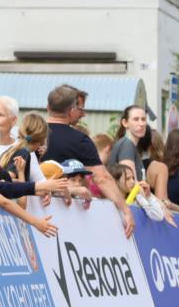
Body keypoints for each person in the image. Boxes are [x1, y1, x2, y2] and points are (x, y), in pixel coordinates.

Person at [40, 85, 134, 237]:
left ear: (48, 107)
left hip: (33, 210)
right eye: (80, 110)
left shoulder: (32, 133)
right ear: (71, 110)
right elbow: (102, 178)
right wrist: (126, 211)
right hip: (61, 220)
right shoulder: (80, 140)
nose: (83, 115)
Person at [109, 105, 147, 181]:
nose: (142, 124)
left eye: (143, 119)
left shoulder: (128, 145)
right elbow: (130, 183)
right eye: (136, 119)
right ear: (125, 123)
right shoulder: (127, 145)